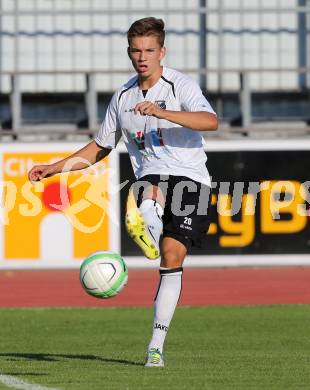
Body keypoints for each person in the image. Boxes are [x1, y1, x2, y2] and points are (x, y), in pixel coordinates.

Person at [28, 17, 218, 368]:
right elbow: (100, 147)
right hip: (152, 175)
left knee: (172, 258)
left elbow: (210, 121)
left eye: (149, 50)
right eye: (136, 50)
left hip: (192, 180)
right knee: (150, 192)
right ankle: (148, 221)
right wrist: (54, 168)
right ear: (129, 53)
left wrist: (162, 112)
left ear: (162, 52)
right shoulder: (122, 97)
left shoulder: (181, 85)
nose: (142, 57)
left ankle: (156, 344)